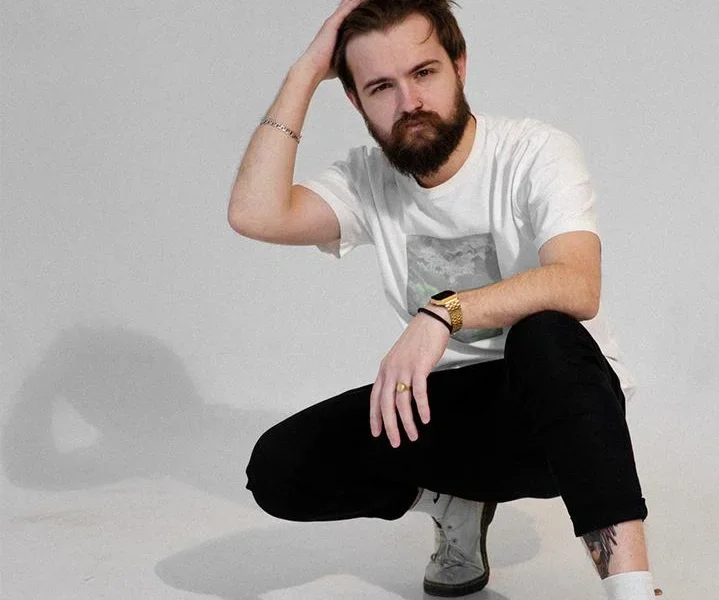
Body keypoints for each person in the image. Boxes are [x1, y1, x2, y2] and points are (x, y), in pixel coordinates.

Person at [229, 1, 662, 597]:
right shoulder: (366, 181)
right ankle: (453, 505)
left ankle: (633, 592)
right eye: (381, 86)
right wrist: (306, 69)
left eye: (424, 73)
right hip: (448, 414)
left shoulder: (533, 152)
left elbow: (576, 284)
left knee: (545, 333)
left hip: (560, 411)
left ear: (459, 66)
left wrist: (442, 313)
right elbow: (254, 213)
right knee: (277, 468)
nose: (409, 102)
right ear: (354, 101)